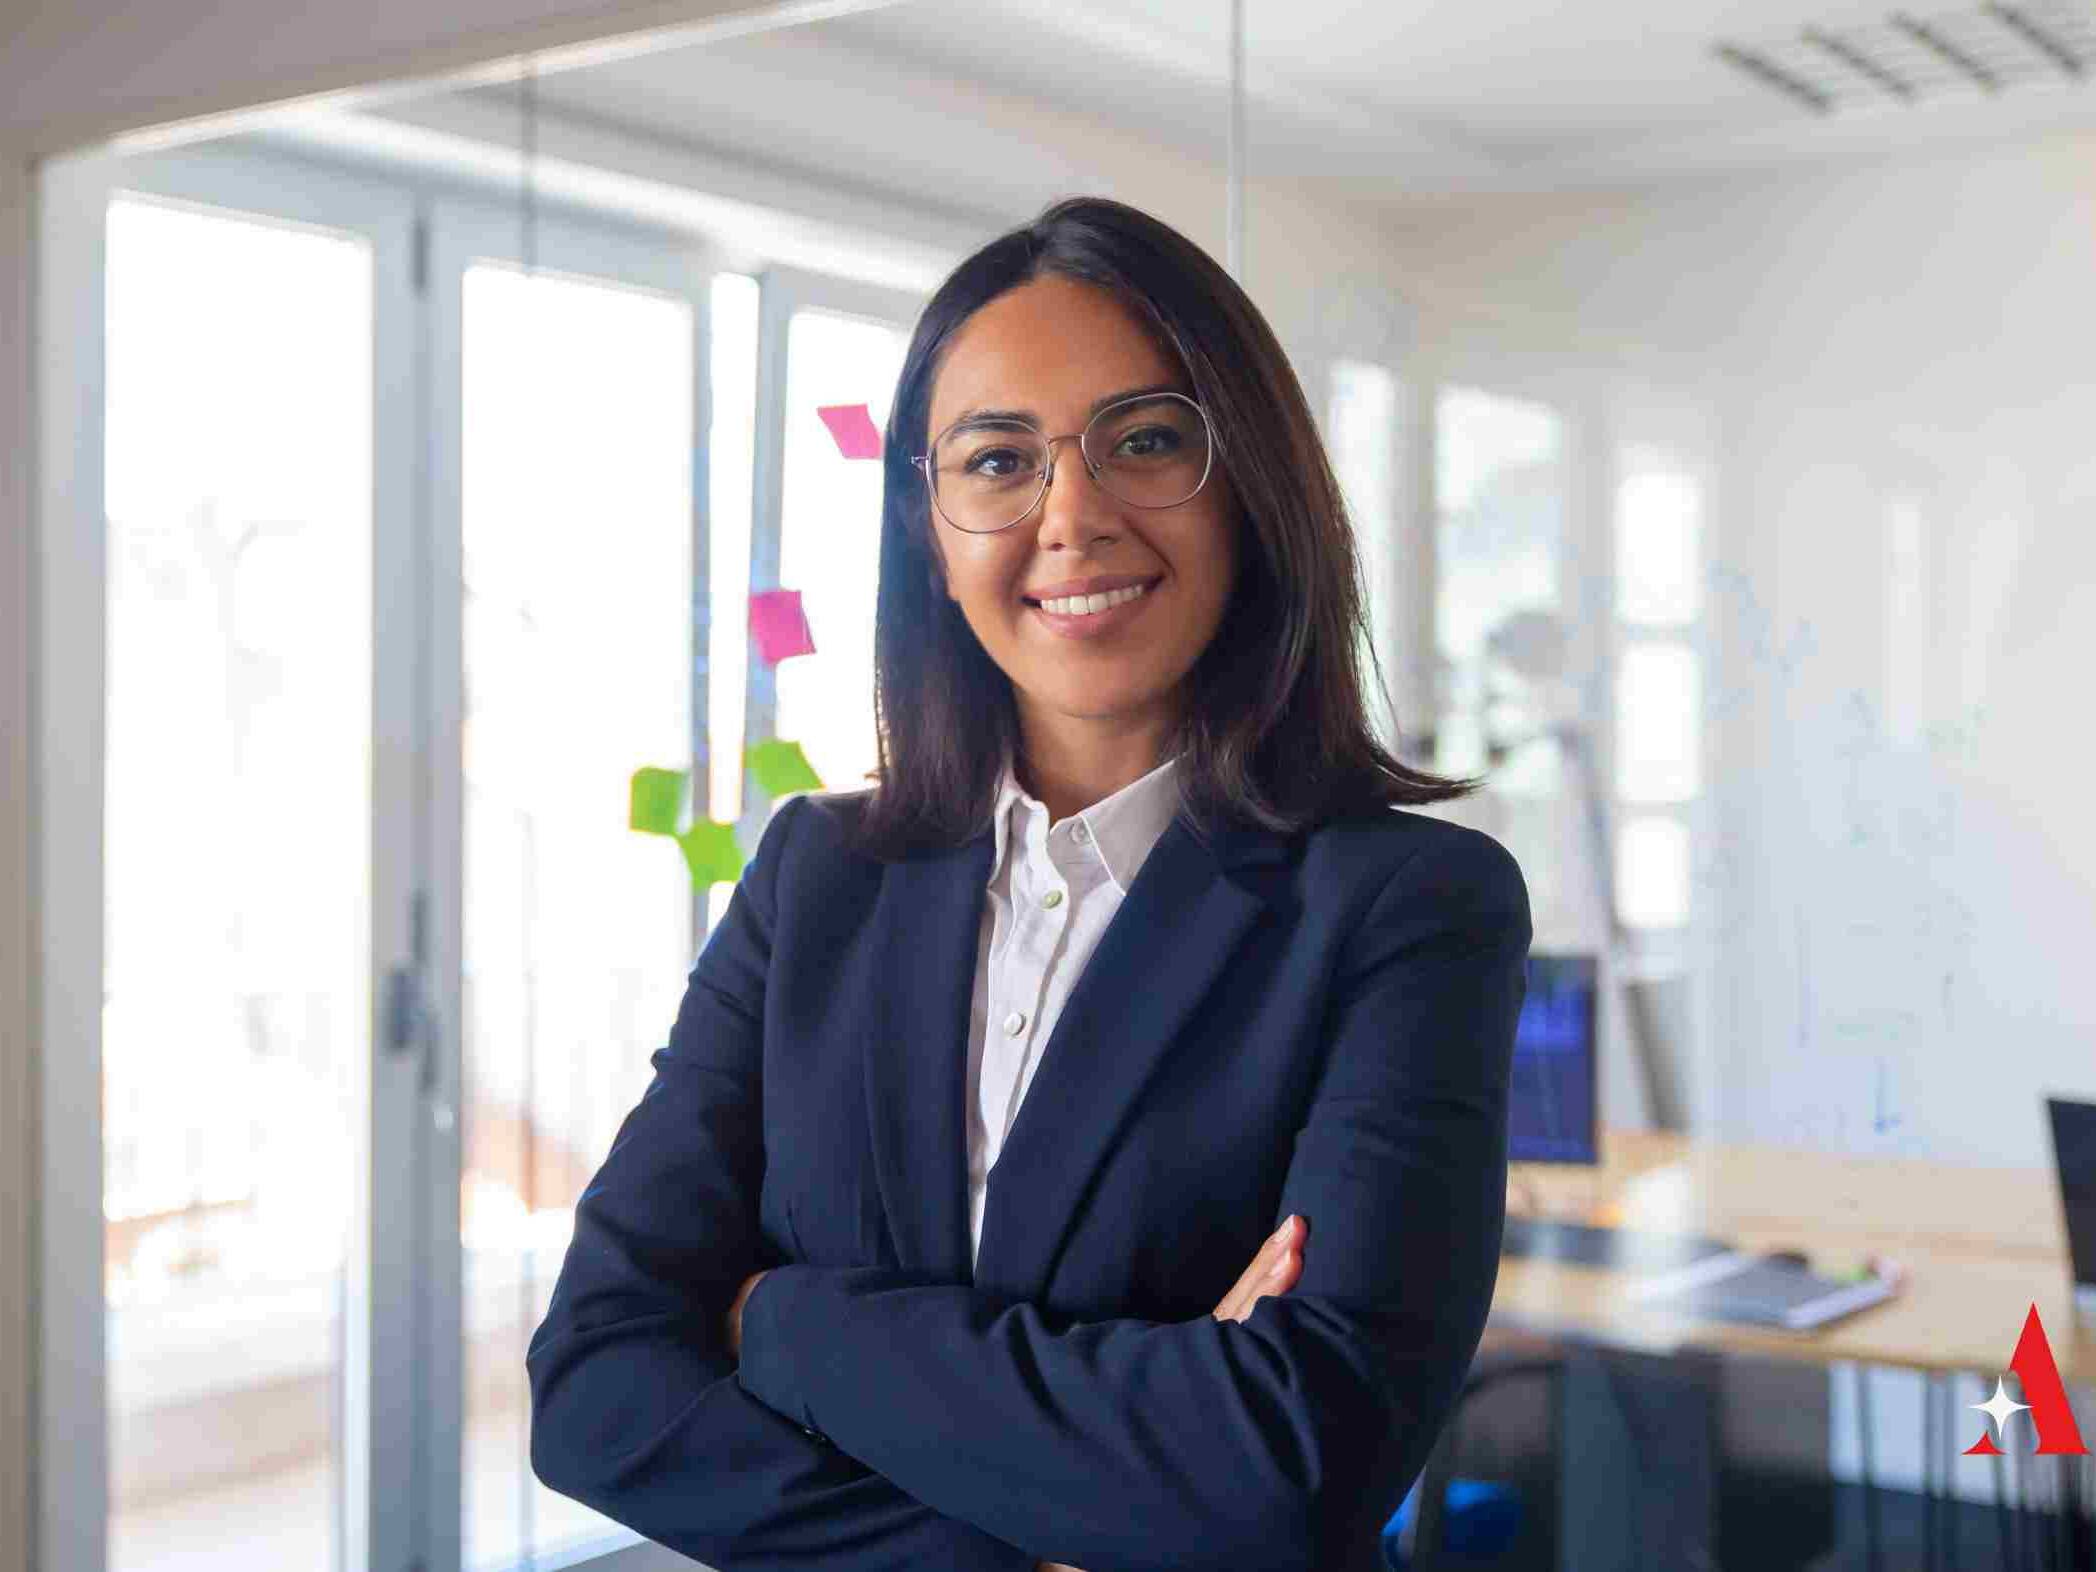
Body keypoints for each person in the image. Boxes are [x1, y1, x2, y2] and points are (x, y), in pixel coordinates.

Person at [527, 195, 1531, 1572]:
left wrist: (785, 1322)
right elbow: (595, 1389)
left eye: (1150, 440)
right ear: (929, 537)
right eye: (1000, 461)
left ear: (1253, 489)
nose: (1075, 516)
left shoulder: (1409, 904)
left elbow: (1298, 1466)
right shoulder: (818, 878)